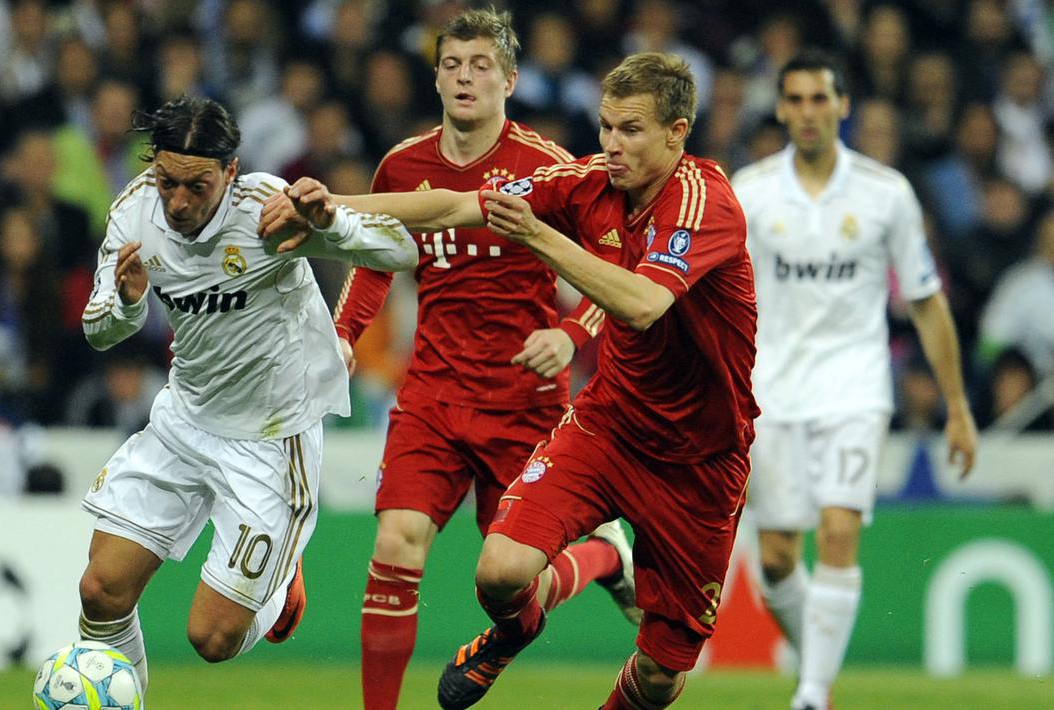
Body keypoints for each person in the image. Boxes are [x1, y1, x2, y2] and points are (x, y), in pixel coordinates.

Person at [263, 51, 758, 710]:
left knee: (660, 676)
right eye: (606, 127)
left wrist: (540, 240)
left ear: (677, 130)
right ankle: (512, 633)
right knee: (498, 574)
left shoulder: (704, 200)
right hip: (607, 426)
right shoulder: (584, 181)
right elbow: (446, 206)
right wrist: (329, 209)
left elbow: (641, 304)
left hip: (698, 461)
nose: (611, 146)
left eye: (631, 131)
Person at [328, 9, 637, 710]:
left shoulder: (547, 169)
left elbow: (614, 263)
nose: (465, 77)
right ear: (435, 77)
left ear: (509, 80)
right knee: (397, 541)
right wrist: (344, 334)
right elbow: (374, 258)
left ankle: (605, 555)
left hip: (523, 400)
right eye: (452, 64)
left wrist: (571, 335)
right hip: (431, 394)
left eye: (480, 65)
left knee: (510, 586)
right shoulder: (401, 167)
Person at [75, 95, 417, 702]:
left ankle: (280, 588)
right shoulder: (135, 212)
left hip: (269, 438)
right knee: (100, 591)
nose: (178, 202)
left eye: (197, 186)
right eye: (167, 181)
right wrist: (127, 302)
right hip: (184, 420)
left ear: (230, 173)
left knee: (212, 639)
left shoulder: (268, 210)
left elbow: (400, 251)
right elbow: (101, 331)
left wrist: (328, 219)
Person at [731, 50, 978, 710]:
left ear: (843, 107)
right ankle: (819, 668)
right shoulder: (749, 192)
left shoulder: (884, 193)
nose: (808, 113)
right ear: (781, 109)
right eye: (796, 100)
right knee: (779, 555)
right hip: (771, 390)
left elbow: (925, 301)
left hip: (854, 386)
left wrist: (956, 404)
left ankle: (810, 694)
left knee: (838, 531)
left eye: (821, 100)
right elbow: (721, 299)